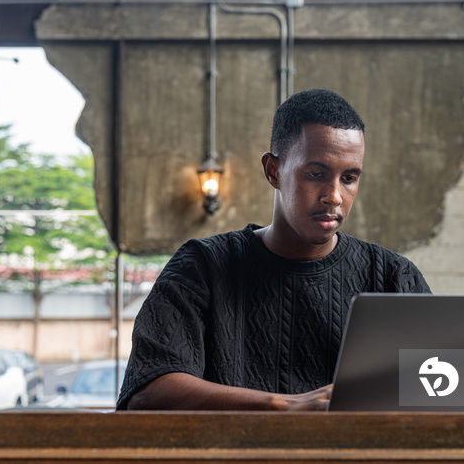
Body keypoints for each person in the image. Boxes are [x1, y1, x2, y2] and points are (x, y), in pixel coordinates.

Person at [116, 88, 430, 412]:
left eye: (349, 178)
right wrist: (284, 406)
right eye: (316, 174)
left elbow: (443, 391)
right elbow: (148, 392)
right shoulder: (202, 267)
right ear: (273, 171)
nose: (334, 196)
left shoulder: (393, 276)